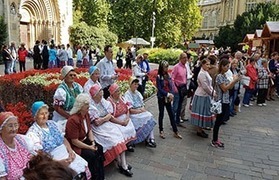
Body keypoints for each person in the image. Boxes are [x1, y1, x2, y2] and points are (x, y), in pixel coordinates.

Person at [26, 101, 90, 178]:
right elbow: (40, 156)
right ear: (35, 116)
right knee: (69, 173)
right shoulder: (33, 133)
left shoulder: (52, 124)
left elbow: (64, 139)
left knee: (82, 168)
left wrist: (71, 151)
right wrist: (58, 163)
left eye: (46, 113)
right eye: (41, 114)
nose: (45, 116)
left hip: (65, 153)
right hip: (51, 160)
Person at [89, 84, 133, 177]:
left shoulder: (103, 102)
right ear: (94, 95)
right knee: (114, 141)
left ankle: (122, 164)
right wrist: (106, 118)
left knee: (120, 137)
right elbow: (97, 123)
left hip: (107, 125)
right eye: (99, 93)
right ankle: (122, 164)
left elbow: (109, 115)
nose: (101, 95)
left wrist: (104, 119)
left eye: (101, 92)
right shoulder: (91, 106)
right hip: (99, 130)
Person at [65, 93, 105, 180]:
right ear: (80, 106)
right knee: (91, 155)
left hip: (84, 140)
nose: (88, 106)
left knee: (99, 148)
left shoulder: (86, 114)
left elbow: (89, 130)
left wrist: (93, 142)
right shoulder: (73, 120)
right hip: (76, 145)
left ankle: (100, 175)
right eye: (86, 105)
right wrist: (90, 147)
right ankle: (94, 177)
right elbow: (74, 141)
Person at [212, 59, 240, 148]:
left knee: (221, 120)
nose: (228, 68)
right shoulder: (219, 76)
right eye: (226, 66)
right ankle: (214, 140)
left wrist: (234, 81)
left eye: (228, 66)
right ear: (222, 66)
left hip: (226, 100)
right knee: (218, 121)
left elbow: (229, 87)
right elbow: (224, 88)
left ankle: (216, 139)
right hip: (221, 101)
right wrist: (234, 81)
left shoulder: (224, 75)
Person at [124, 77, 157, 148]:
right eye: (135, 84)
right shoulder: (127, 94)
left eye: (137, 84)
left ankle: (150, 138)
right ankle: (150, 139)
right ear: (130, 84)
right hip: (133, 114)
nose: (136, 86)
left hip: (140, 112)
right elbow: (130, 110)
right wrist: (140, 111)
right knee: (149, 116)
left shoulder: (137, 93)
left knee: (149, 116)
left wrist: (142, 109)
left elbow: (142, 104)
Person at [0, 112, 34, 179]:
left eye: (15, 125)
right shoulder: (1, 150)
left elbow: (34, 159)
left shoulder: (21, 140)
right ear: (1, 129)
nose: (14, 129)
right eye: (10, 126)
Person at [156, 61, 182, 139]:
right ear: (161, 67)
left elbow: (171, 86)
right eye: (165, 67)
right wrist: (167, 94)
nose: (166, 68)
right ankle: (161, 130)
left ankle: (175, 131)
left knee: (171, 113)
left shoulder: (168, 75)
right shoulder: (159, 76)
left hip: (168, 97)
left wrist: (171, 94)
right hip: (161, 97)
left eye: (167, 67)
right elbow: (159, 88)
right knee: (161, 114)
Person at [107, 83, 137, 151]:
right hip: (116, 121)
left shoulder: (122, 98)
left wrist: (127, 118)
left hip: (125, 119)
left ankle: (128, 144)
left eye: (119, 90)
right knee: (122, 131)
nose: (119, 92)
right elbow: (110, 117)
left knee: (130, 127)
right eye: (117, 91)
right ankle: (123, 145)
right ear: (113, 93)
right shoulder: (109, 102)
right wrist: (121, 123)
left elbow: (128, 108)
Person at [53, 66, 83, 133]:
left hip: (76, 114)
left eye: (74, 75)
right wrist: (70, 117)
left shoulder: (77, 86)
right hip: (63, 116)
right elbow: (57, 107)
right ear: (65, 76)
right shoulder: (61, 90)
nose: (72, 77)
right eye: (70, 75)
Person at [190, 59, 216, 138]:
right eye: (207, 64)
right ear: (203, 65)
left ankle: (201, 128)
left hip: (205, 95)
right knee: (201, 112)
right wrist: (211, 93)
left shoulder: (205, 72)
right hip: (201, 95)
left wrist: (212, 91)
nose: (208, 66)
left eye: (209, 64)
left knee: (204, 112)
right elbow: (205, 86)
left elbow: (209, 84)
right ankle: (199, 130)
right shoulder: (201, 73)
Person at [172, 52, 189, 128]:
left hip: (183, 88)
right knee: (175, 106)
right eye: (184, 58)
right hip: (177, 88)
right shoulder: (176, 67)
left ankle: (177, 121)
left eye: (186, 58)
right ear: (180, 58)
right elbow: (172, 78)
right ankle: (173, 122)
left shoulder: (185, 67)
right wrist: (174, 88)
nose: (186, 59)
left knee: (180, 105)